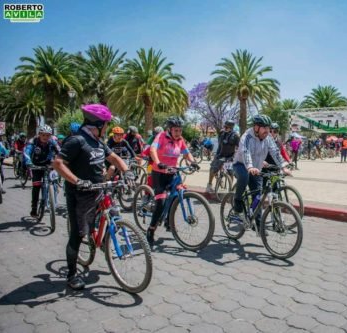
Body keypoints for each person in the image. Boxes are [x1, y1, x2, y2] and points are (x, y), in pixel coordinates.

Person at [53, 104, 135, 290]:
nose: (107, 128)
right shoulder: (76, 141)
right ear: (97, 124)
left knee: (114, 214)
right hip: (79, 195)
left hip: (100, 188)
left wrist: (127, 171)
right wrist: (77, 181)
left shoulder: (98, 142)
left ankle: (104, 240)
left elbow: (114, 158)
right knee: (78, 234)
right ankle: (72, 275)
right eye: (105, 124)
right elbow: (58, 164)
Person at [230, 115, 291, 232]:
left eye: (268, 128)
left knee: (257, 195)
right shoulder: (247, 137)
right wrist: (250, 166)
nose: (267, 131)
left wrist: (283, 166)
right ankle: (237, 202)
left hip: (256, 168)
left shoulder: (267, 138)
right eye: (264, 128)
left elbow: (275, 152)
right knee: (244, 176)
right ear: (256, 127)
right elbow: (246, 152)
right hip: (241, 165)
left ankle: (257, 223)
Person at [146, 116, 199, 247]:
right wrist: (158, 163)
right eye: (176, 130)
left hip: (174, 173)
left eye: (180, 130)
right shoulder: (161, 136)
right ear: (170, 129)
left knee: (177, 195)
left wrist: (193, 162)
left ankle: (168, 221)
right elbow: (153, 150)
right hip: (159, 174)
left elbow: (186, 153)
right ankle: (151, 229)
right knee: (161, 202)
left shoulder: (180, 140)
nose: (178, 133)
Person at [23, 126, 60, 218]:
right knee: (36, 187)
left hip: (48, 165)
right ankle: (34, 208)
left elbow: (61, 151)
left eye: (47, 135)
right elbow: (27, 152)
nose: (45, 137)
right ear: (39, 134)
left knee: (53, 181)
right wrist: (28, 162)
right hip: (36, 166)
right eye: (43, 135)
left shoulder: (52, 141)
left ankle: (51, 198)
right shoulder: (33, 141)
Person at [206, 120, 240, 192]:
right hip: (219, 155)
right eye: (224, 126)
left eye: (227, 127)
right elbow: (220, 144)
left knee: (230, 172)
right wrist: (216, 154)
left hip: (230, 157)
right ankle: (209, 185)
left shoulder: (236, 136)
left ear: (231, 127)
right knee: (213, 169)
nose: (225, 128)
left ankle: (230, 189)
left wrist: (236, 155)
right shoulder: (221, 133)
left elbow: (239, 147)